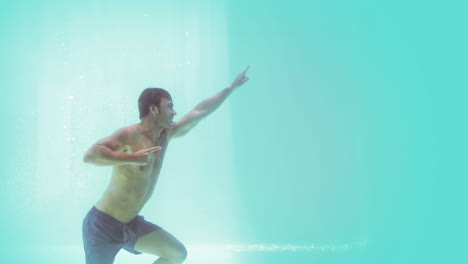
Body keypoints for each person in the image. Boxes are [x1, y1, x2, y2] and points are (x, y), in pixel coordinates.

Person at [82, 67, 250, 264]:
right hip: (102, 226)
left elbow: (200, 111)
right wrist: (131, 158)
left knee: (177, 254)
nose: (174, 112)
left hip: (131, 225)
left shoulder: (165, 135)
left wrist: (231, 88)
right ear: (153, 109)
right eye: (169, 107)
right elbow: (90, 156)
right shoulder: (130, 134)